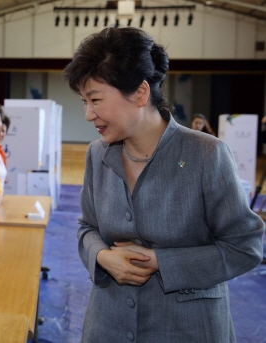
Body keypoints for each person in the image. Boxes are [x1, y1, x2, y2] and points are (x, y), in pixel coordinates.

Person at [64, 27, 264, 342]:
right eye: (84, 102)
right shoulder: (97, 155)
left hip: (188, 328)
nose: (89, 114)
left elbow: (246, 246)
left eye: (95, 100)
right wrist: (103, 257)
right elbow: (87, 228)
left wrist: (160, 262)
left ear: (141, 93)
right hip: (109, 324)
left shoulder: (206, 154)